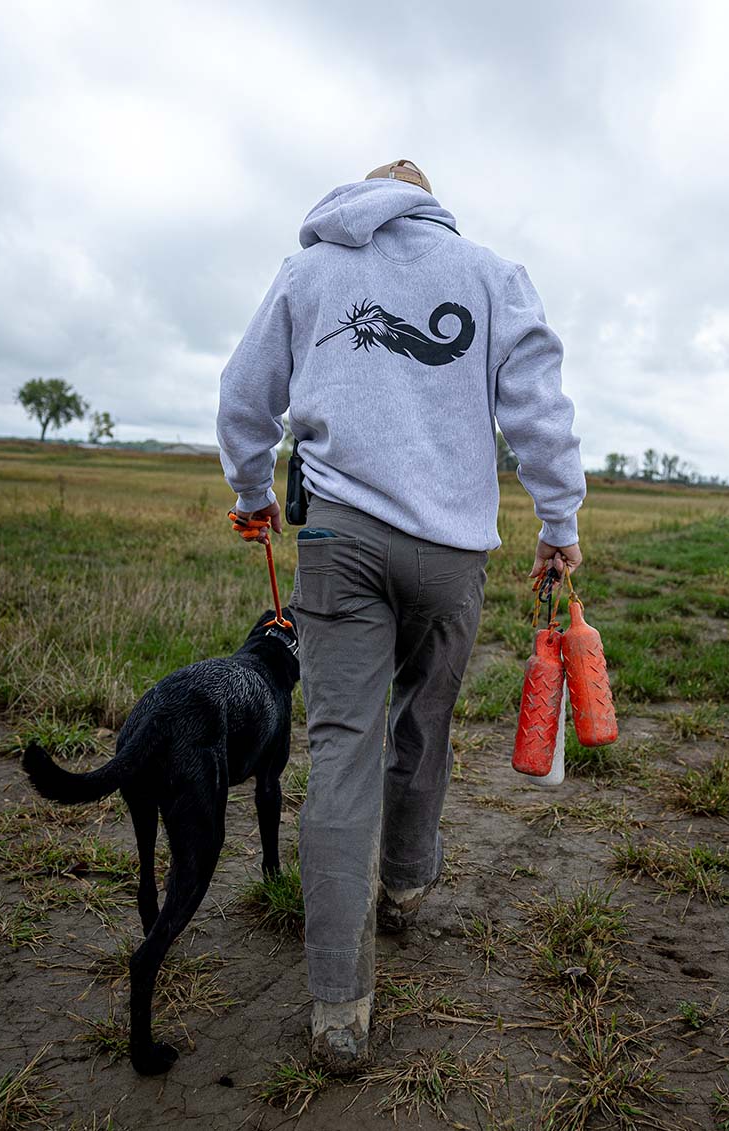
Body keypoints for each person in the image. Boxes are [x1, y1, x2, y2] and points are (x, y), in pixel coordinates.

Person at [216, 159, 585, 1072]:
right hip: (454, 550)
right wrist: (558, 519)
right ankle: (409, 885)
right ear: (432, 205)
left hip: (339, 540)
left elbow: (244, 392)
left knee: (342, 740)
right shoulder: (493, 274)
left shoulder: (309, 270)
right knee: (426, 714)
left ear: (358, 200)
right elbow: (537, 406)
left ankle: (338, 1007)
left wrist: (250, 487)